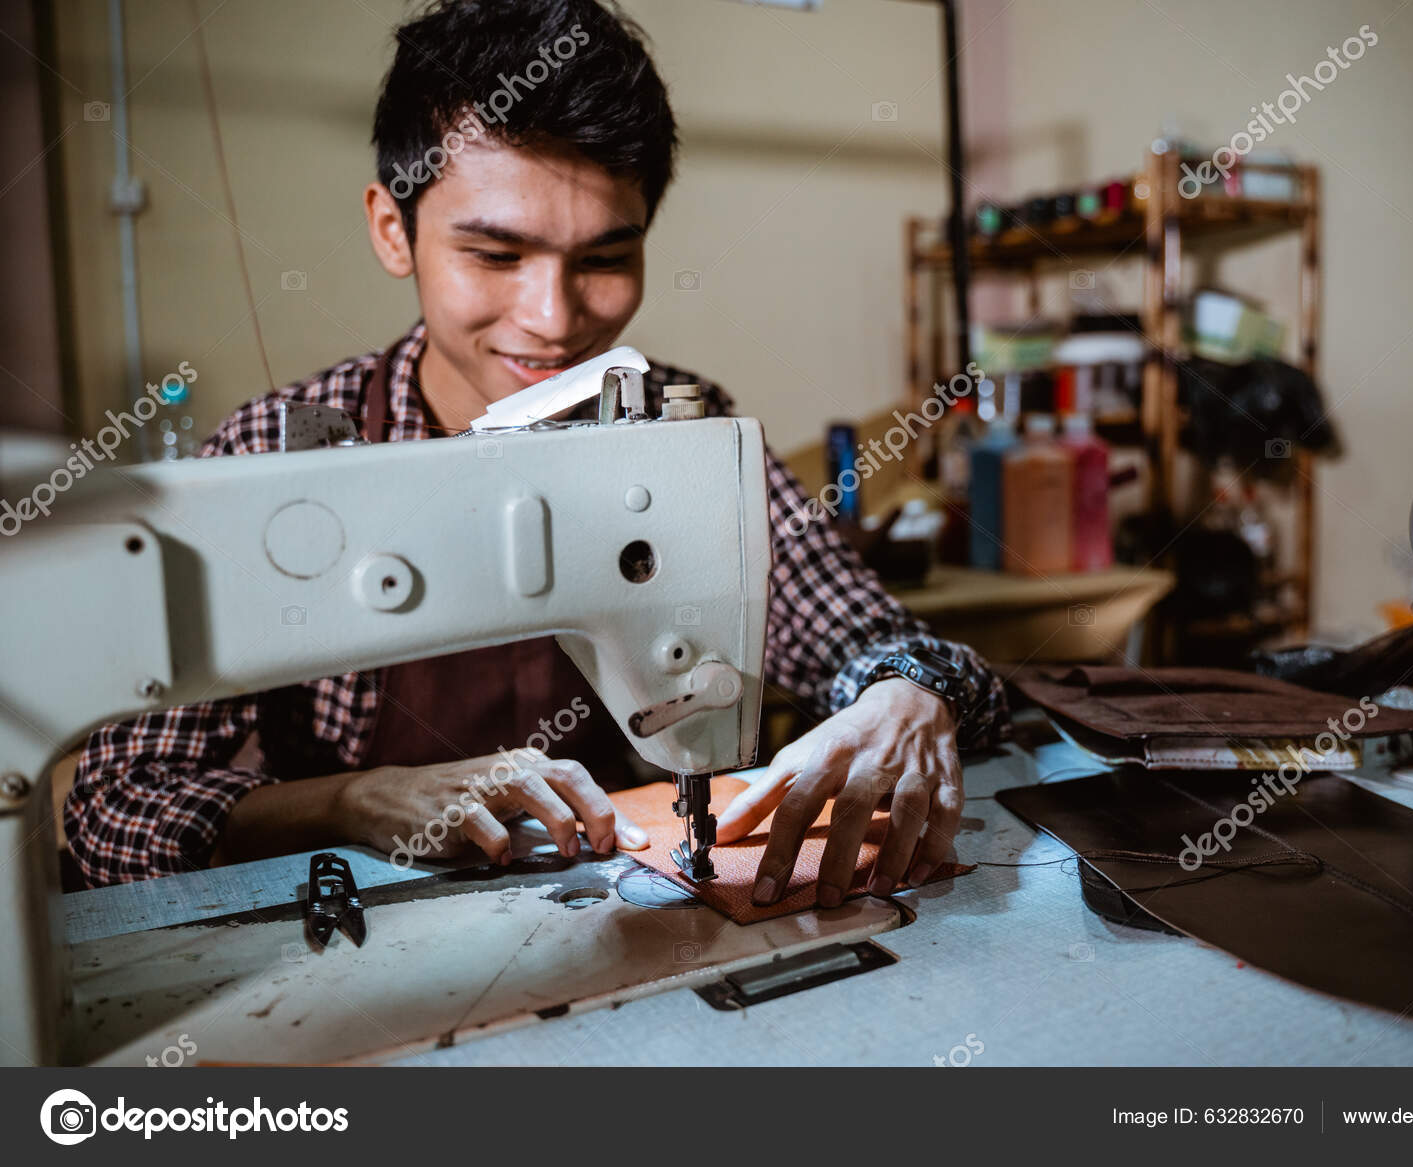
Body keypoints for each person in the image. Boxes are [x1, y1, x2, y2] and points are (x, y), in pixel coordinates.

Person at [66, 0, 1010, 910]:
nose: (555, 320)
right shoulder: (270, 460)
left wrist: (906, 695)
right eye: (495, 255)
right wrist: (355, 801)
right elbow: (114, 809)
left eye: (604, 258)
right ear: (394, 229)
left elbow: (866, 631)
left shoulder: (681, 432)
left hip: (608, 898)